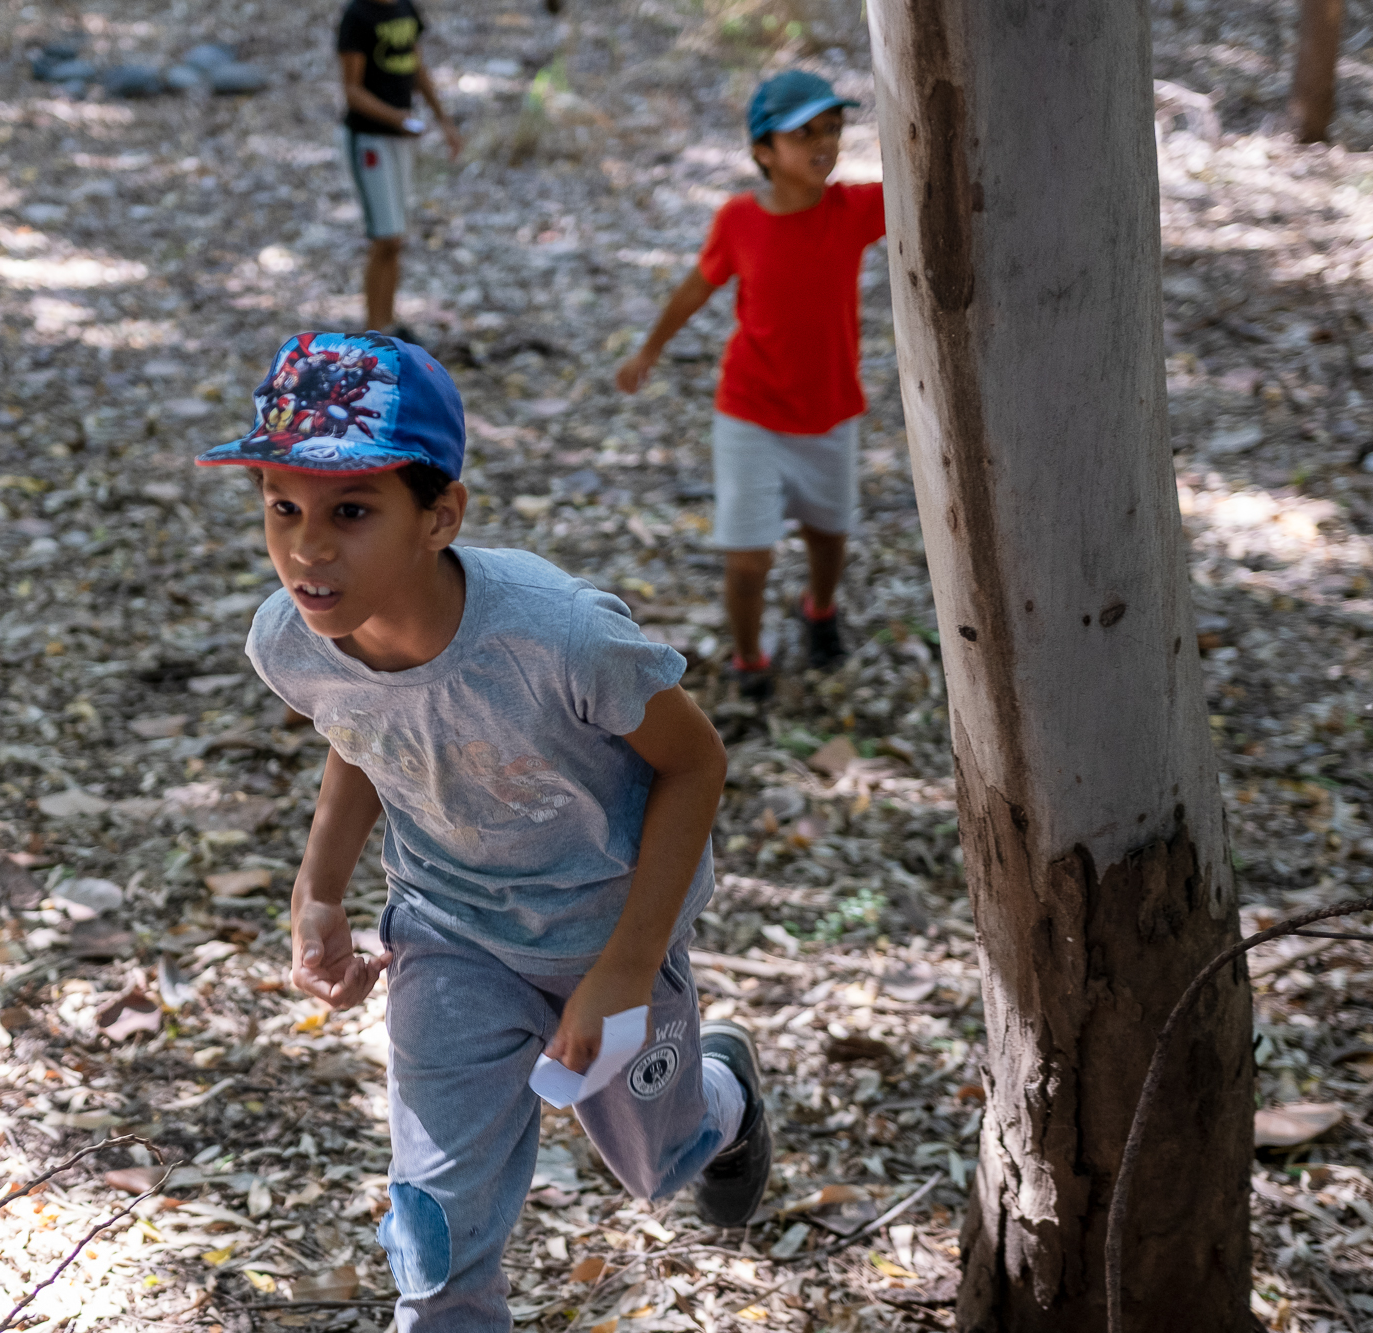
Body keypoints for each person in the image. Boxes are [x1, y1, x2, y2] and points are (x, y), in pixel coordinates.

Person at [197, 331, 773, 1331]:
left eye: (349, 511)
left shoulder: (560, 639)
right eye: (280, 508)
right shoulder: (291, 640)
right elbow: (364, 734)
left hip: (604, 929)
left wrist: (629, 965)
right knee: (435, 1224)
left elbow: (694, 762)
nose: (306, 546)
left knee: (656, 1162)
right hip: (447, 934)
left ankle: (723, 1094)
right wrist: (317, 891)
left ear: (439, 516)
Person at [615, 69, 886, 702]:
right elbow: (697, 286)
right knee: (747, 560)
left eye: (833, 128)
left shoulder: (855, 209)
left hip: (830, 412)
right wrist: (649, 350)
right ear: (763, 151)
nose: (824, 142)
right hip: (751, 411)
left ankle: (819, 610)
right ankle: (748, 660)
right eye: (803, 133)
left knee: (829, 536)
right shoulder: (740, 219)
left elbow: (930, 178)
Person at [337, 0, 461, 340]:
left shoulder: (405, 10)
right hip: (369, 139)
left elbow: (415, 65)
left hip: (401, 138)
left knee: (396, 238)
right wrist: (399, 119)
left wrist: (443, 120)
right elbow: (352, 90)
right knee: (386, 236)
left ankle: (387, 325)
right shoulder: (357, 16)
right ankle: (373, 328)